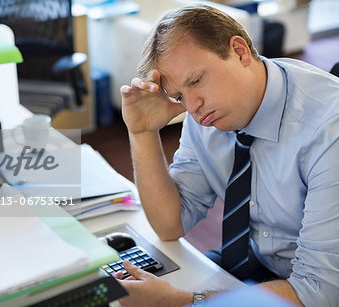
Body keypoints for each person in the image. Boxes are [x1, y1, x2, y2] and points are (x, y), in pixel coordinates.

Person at [118, 4, 339, 307]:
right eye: (179, 95)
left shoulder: (328, 130)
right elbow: (171, 224)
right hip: (257, 261)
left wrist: (184, 300)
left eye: (196, 80)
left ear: (239, 51)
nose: (192, 107)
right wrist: (142, 133)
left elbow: (319, 292)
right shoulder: (207, 113)